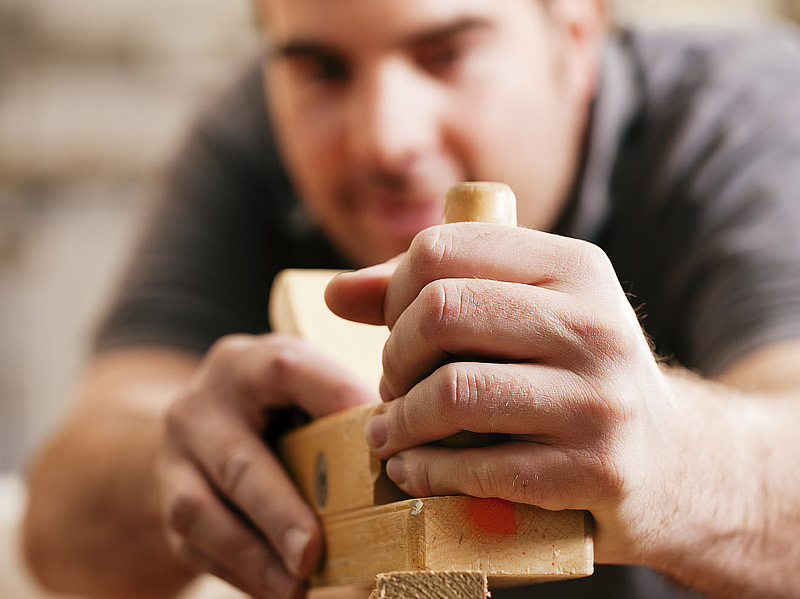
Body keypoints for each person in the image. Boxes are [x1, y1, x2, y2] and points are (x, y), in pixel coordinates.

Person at [21, 0, 800, 598]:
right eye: (322, 69)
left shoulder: (744, 116)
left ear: (575, 36)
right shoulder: (251, 131)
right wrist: (177, 464)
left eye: (448, 54)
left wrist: (677, 460)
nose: (385, 139)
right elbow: (56, 524)